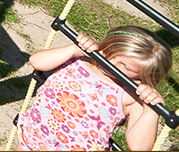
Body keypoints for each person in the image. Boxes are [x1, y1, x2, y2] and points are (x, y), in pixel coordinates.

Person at [17, 25, 171, 151]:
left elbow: (139, 147)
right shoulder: (80, 60)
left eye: (124, 66)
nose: (110, 62)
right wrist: (73, 50)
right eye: (109, 52)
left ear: (144, 75)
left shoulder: (131, 95)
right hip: (32, 137)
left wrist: (151, 111)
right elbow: (36, 61)